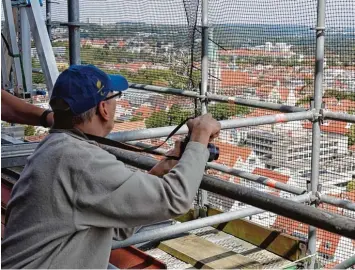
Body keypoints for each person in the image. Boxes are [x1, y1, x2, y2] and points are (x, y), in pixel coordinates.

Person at [1, 65, 221, 269]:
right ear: (103, 109)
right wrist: (200, 136)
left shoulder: (55, 148)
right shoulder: (80, 160)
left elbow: (118, 226)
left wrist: (160, 170)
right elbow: (176, 199)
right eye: (116, 97)